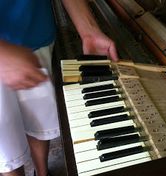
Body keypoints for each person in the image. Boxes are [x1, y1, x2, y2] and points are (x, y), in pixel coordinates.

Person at [0, 0, 118, 176]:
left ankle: (42, 173)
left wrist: (89, 29)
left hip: (36, 31)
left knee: (39, 122)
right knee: (7, 150)